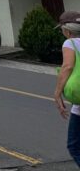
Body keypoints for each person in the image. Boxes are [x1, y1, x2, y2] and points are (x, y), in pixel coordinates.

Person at [54, 11, 80, 166]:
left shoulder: (70, 43)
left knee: (74, 145)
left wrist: (57, 93)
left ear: (67, 30)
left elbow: (67, 66)